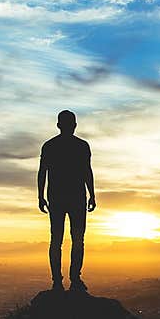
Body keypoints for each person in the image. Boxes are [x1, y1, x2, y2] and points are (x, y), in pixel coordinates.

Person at [37, 110, 96, 292]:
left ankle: (58, 282)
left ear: (58, 125)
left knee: (57, 240)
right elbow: (87, 171)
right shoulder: (82, 146)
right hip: (76, 197)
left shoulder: (49, 146)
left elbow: (42, 173)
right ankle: (74, 279)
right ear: (74, 125)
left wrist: (41, 196)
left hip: (57, 197)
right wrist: (92, 194)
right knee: (77, 239)